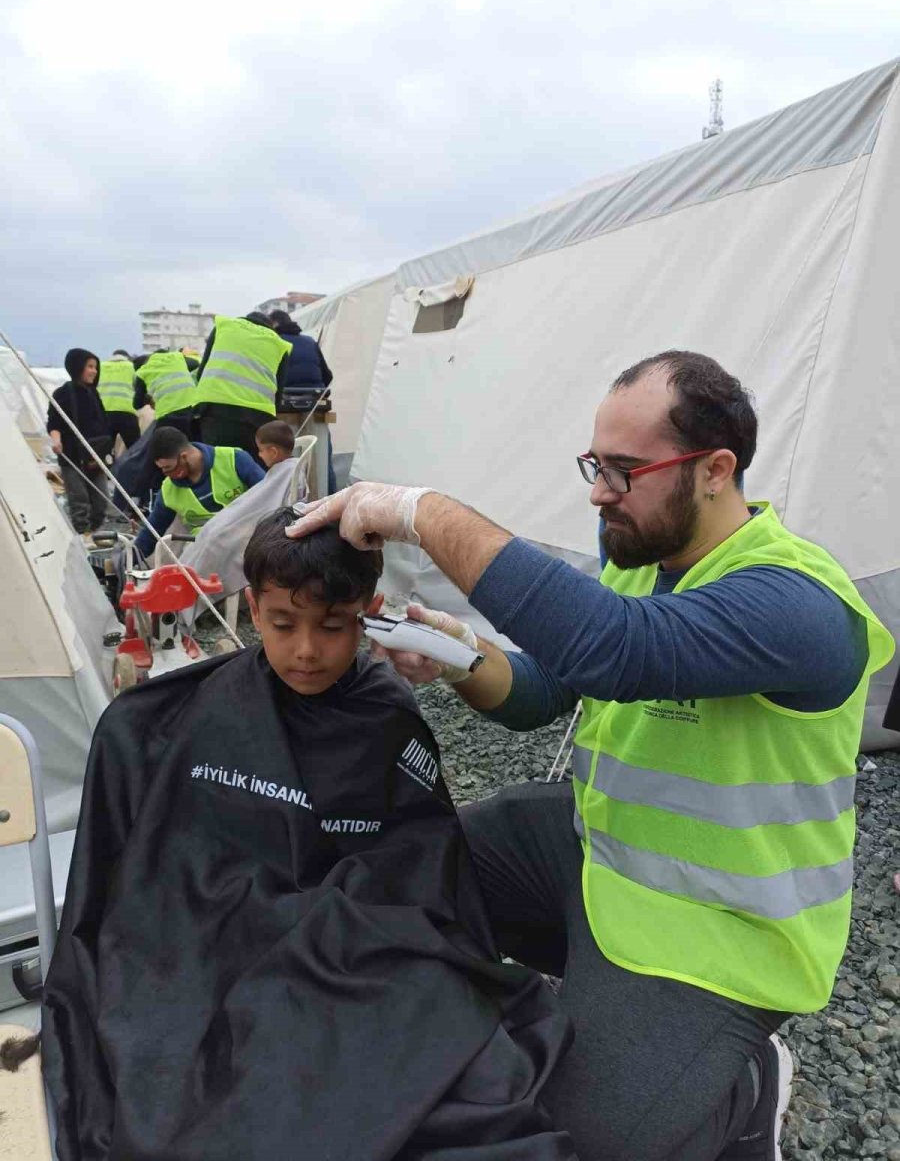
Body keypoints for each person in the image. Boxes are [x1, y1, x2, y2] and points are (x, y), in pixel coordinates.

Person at [288, 350, 895, 1161]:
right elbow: (547, 691)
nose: (599, 491)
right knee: (401, 866)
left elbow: (611, 649)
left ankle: (746, 1086)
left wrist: (417, 510)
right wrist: (461, 654)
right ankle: (597, 1022)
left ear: (716, 470)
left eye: (625, 470)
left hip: (719, 932)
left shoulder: (797, 601)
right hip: (603, 858)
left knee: (591, 1142)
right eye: (595, 465)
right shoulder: (644, 564)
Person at [40, 513, 576, 1159]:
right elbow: (156, 854)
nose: (304, 651)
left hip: (348, 946)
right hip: (200, 934)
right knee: (164, 1063)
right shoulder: (199, 707)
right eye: (281, 624)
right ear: (253, 609)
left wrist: (332, 916)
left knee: (432, 1051)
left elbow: (420, 868)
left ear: (368, 613)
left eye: (332, 626)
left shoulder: (385, 716)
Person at [133, 426, 264, 558]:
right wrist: (127, 559)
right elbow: (152, 531)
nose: (167, 474)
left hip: (247, 543)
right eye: (162, 469)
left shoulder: (234, 459)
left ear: (184, 456)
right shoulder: (169, 491)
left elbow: (271, 492)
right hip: (203, 553)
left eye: (168, 468)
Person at [193, 311, 291, 461]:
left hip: (215, 410)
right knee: (252, 471)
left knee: (218, 465)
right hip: (257, 418)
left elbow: (202, 373)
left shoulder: (223, 327)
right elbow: (278, 394)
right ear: (270, 327)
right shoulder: (278, 344)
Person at [47, 348, 113, 544]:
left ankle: (96, 532)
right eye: (89, 367)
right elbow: (54, 422)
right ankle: (83, 536)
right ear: (77, 367)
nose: (94, 371)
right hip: (73, 455)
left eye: (95, 367)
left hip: (96, 456)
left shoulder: (93, 393)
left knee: (101, 500)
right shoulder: (63, 393)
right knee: (79, 500)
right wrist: (56, 440)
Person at [269, 308, 337, 493]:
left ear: (273, 325)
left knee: (288, 458)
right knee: (322, 458)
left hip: (284, 409)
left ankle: (292, 503)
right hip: (316, 405)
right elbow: (327, 375)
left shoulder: (273, 343)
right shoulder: (309, 342)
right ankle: (329, 502)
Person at [134, 348, 197, 436]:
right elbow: (195, 363)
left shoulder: (143, 371)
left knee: (160, 446)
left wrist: (149, 399)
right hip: (192, 411)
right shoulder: (177, 358)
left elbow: (137, 404)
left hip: (168, 416)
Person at [97, 350, 140, 450]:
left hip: (105, 413)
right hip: (127, 413)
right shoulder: (131, 366)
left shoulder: (100, 367)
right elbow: (137, 388)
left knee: (104, 449)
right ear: (127, 358)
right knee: (135, 450)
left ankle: (106, 465)